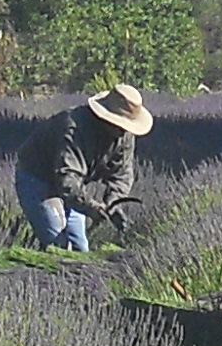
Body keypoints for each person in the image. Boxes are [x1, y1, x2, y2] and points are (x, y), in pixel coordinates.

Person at [14, 82, 153, 249]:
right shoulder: (74, 129)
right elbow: (67, 180)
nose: (123, 132)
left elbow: (122, 174)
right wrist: (91, 207)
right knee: (59, 245)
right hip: (38, 179)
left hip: (74, 186)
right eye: (120, 126)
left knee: (80, 248)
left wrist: (114, 202)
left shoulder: (124, 136)